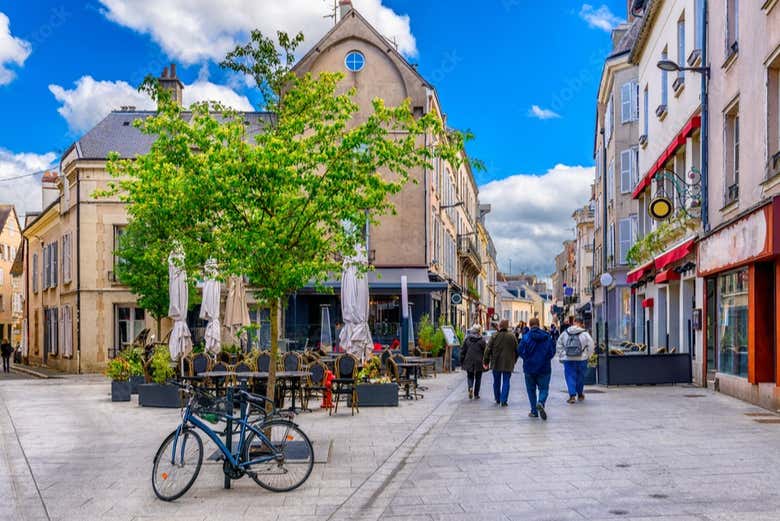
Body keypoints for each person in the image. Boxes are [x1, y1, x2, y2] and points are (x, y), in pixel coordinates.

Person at [517, 318, 556, 420]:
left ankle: (534, 411)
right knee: (544, 389)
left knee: (531, 390)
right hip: (544, 368)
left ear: (530, 325)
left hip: (529, 368)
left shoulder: (526, 337)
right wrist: (546, 358)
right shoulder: (547, 336)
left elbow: (520, 350)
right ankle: (541, 402)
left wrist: (526, 358)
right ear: (539, 324)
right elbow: (552, 351)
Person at [557, 317, 595, 403]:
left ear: (573, 323)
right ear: (582, 324)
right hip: (582, 359)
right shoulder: (585, 333)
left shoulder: (565, 332)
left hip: (569, 358)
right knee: (580, 377)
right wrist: (587, 355)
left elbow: (559, 344)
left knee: (570, 376)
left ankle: (572, 395)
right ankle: (580, 393)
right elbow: (591, 345)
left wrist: (563, 354)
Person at [483, 319, 518, 407]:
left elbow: (488, 349)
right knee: (506, 381)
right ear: (507, 326)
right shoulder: (512, 336)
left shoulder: (494, 336)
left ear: (500, 326)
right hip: (508, 363)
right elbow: (517, 350)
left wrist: (486, 361)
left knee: (496, 381)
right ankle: (504, 400)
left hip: (496, 362)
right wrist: (514, 360)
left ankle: (497, 398)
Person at [460, 324, 486, 399]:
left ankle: (470, 387)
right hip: (479, 361)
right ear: (479, 331)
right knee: (478, 378)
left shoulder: (467, 339)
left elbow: (463, 351)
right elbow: (485, 352)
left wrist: (461, 360)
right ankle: (476, 394)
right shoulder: (482, 340)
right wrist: (486, 361)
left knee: (470, 376)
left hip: (469, 360)